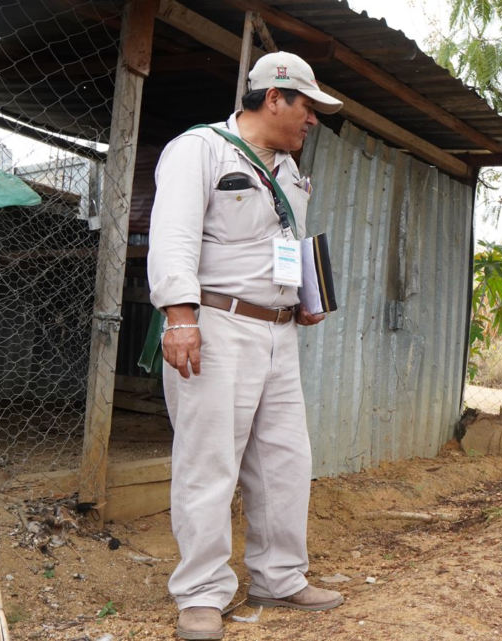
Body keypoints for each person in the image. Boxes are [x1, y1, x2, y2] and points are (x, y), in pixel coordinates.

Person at [147, 51, 345, 641]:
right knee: (209, 462)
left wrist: (304, 298)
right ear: (275, 97)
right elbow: (174, 234)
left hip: (279, 331)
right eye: (308, 107)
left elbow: (286, 242)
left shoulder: (289, 171)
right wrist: (180, 319)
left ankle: (280, 577)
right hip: (216, 325)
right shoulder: (199, 149)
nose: (313, 121)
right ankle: (202, 594)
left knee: (285, 460)